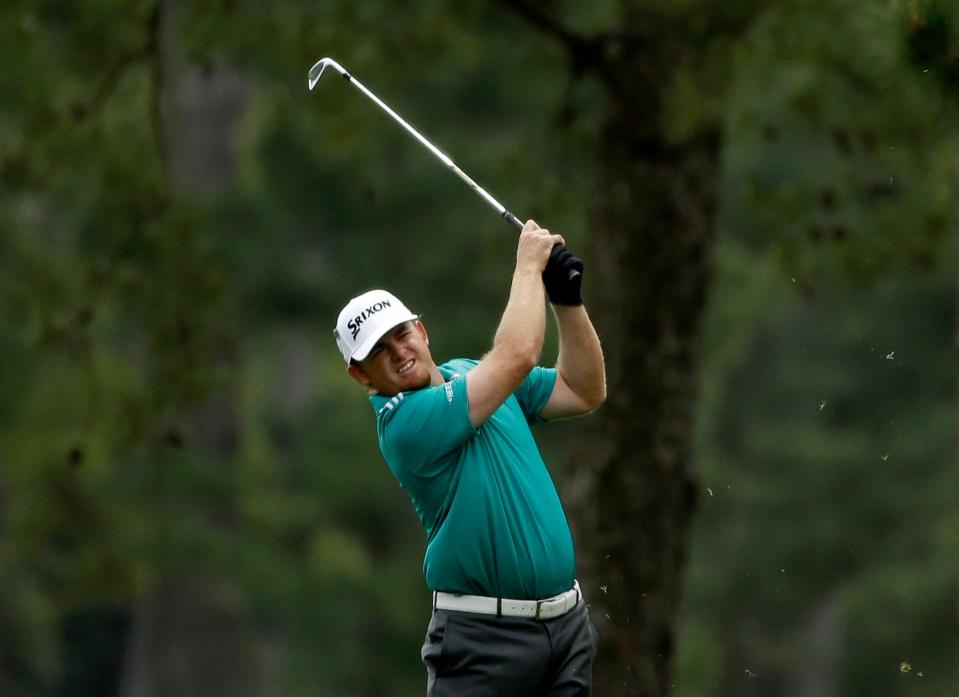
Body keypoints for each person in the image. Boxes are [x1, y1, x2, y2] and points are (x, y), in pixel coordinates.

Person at [334, 220, 606, 697]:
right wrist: (528, 267)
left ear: (422, 329)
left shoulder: (471, 374)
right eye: (379, 351)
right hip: (484, 642)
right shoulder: (404, 424)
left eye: (401, 334)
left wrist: (566, 301)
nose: (398, 352)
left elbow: (582, 390)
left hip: (566, 631)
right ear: (362, 376)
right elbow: (517, 355)